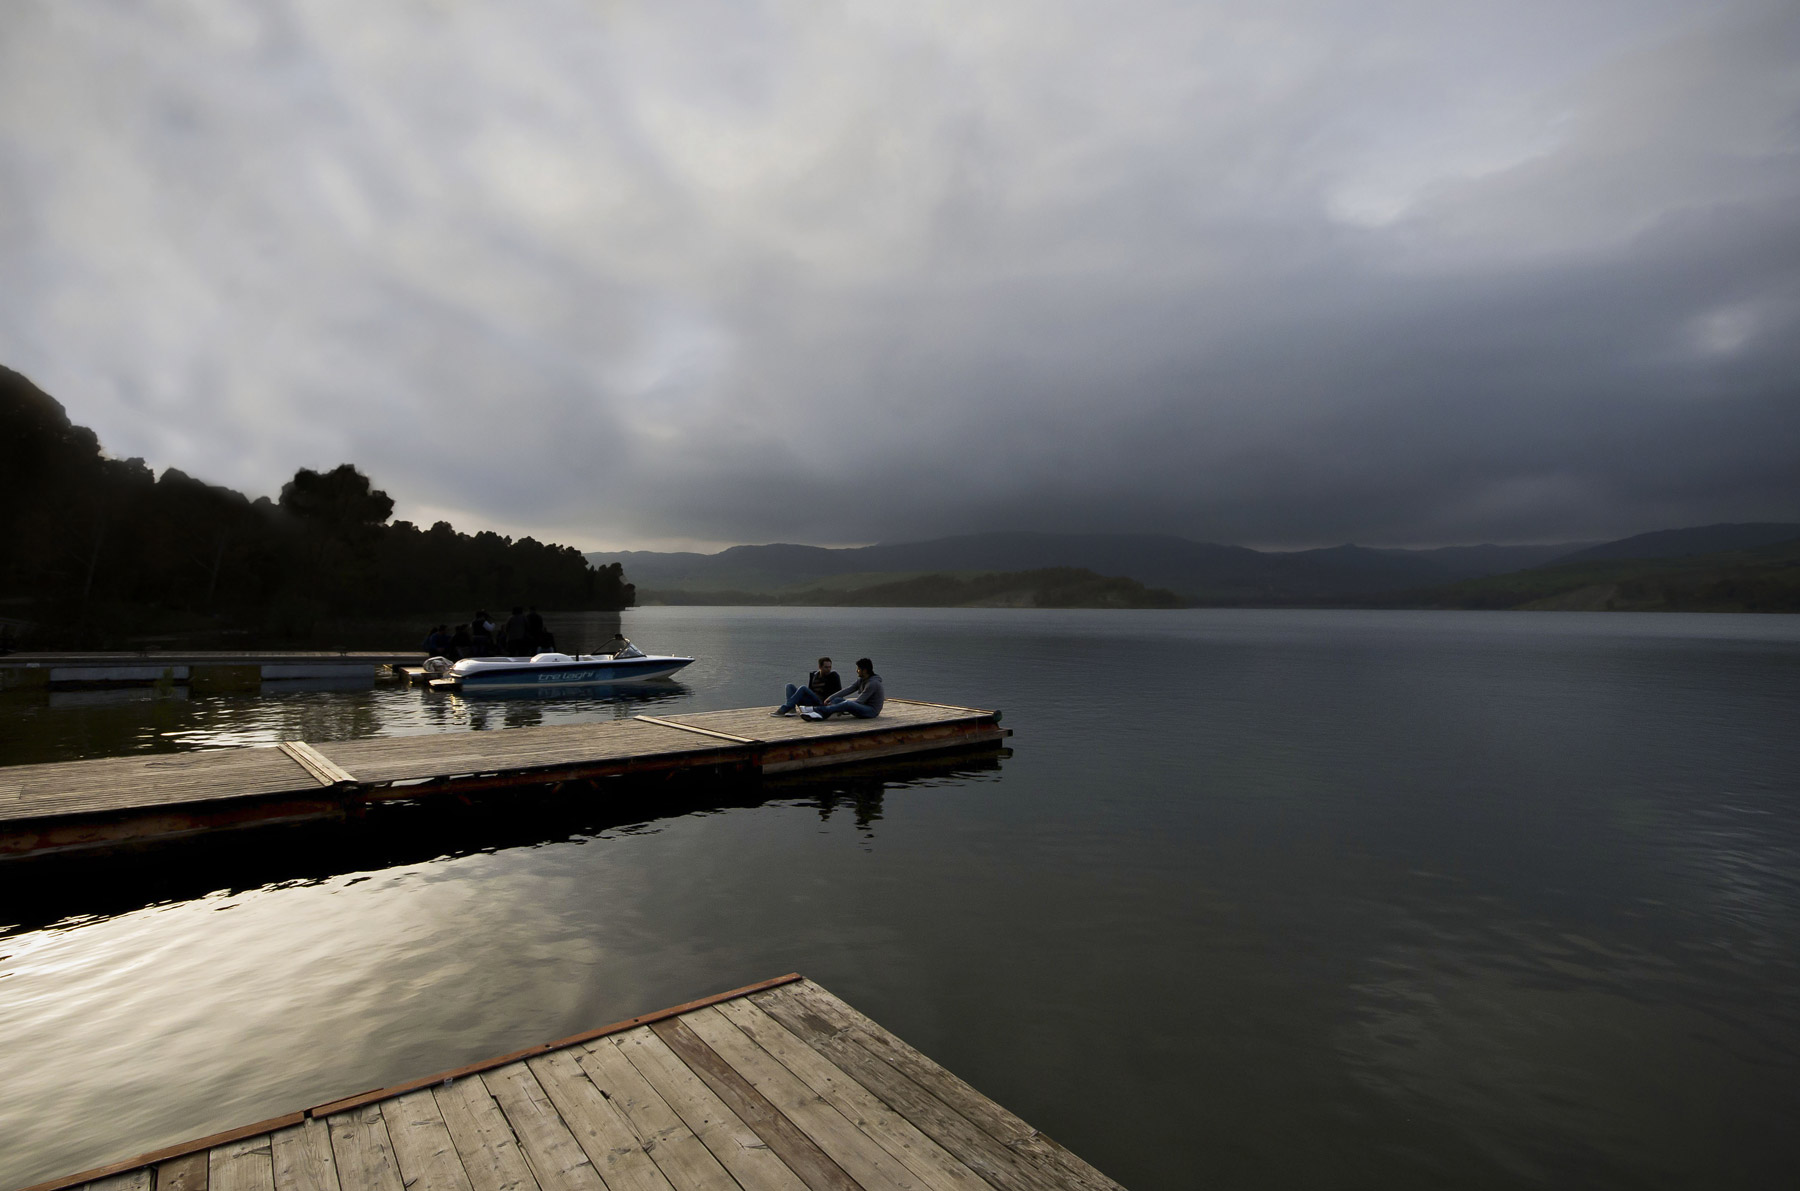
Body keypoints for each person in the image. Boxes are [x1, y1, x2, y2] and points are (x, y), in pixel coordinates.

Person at [802, 657, 883, 721]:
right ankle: (819, 716)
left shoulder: (872, 684)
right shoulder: (862, 680)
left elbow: (859, 701)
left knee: (847, 703)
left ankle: (815, 709)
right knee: (837, 700)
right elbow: (848, 689)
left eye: (858, 669)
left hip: (871, 711)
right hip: (862, 707)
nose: (856, 671)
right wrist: (830, 698)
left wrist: (843, 706)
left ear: (864, 670)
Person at [772, 656, 842, 716]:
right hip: (811, 700)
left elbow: (839, 692)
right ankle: (792, 709)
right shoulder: (814, 675)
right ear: (820, 667)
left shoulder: (833, 676)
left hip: (821, 702)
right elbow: (810, 690)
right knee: (789, 686)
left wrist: (836, 706)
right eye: (826, 667)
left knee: (803, 688)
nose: (828, 669)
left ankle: (784, 709)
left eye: (830, 667)